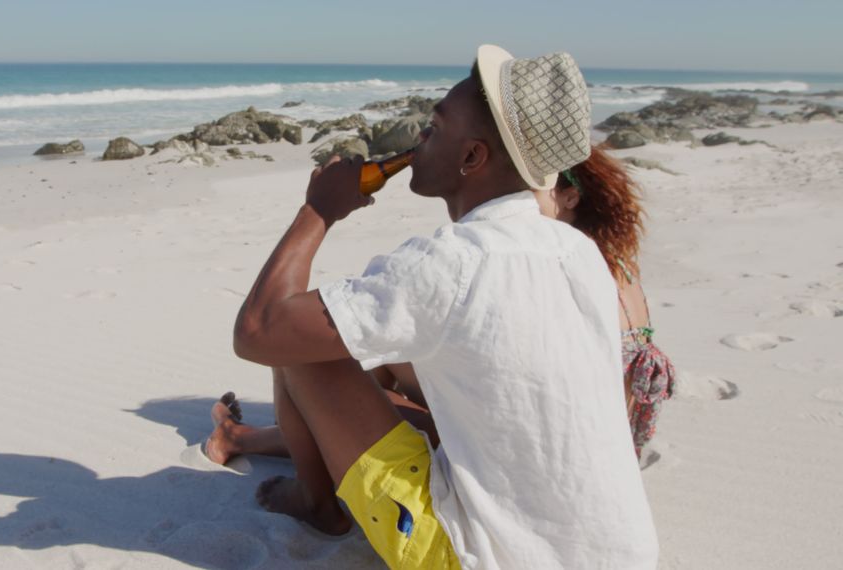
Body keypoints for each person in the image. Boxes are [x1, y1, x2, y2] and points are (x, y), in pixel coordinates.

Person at [230, 44, 658, 569]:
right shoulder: (579, 252)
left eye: (434, 127)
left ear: (472, 158)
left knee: (301, 350)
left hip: (483, 560)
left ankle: (319, 505)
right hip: (624, 556)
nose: (419, 138)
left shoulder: (450, 264)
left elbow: (258, 329)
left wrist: (318, 211)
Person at [207, 147, 677, 465]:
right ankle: (268, 438)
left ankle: (272, 462)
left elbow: (259, 331)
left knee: (323, 352)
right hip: (610, 447)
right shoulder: (601, 261)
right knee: (391, 355)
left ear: (569, 196)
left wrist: (319, 209)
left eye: (524, 189)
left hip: (551, 449)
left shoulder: (545, 261)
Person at [536, 146, 677, 458]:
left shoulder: (575, 260)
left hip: (600, 406)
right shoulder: (616, 256)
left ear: (569, 198)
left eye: (531, 190)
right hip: (623, 412)